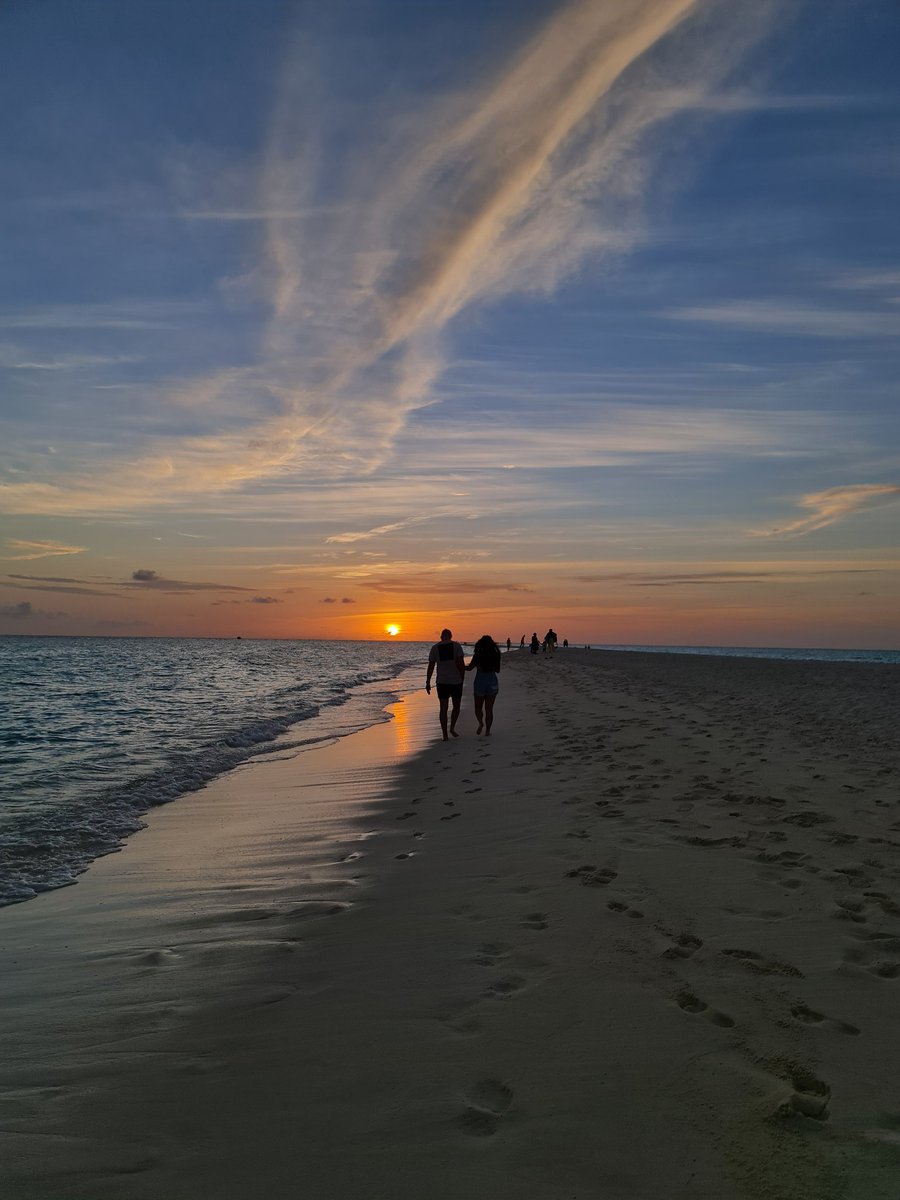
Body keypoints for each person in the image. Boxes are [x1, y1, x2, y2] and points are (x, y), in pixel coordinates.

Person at [425, 628, 466, 741]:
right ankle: (452, 728)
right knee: (456, 706)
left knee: (443, 708)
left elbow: (431, 666)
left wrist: (428, 682)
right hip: (456, 681)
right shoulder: (456, 646)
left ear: (441, 637)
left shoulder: (435, 647)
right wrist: (462, 678)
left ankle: (445, 735)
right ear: (451, 636)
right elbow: (460, 663)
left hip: (442, 682)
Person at [466, 635, 501, 735]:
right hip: (492, 682)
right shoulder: (496, 654)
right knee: (489, 709)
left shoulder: (478, 654)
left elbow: (469, 668)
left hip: (480, 682)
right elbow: (498, 670)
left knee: (478, 707)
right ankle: (488, 731)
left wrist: (458, 666)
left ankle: (481, 723)